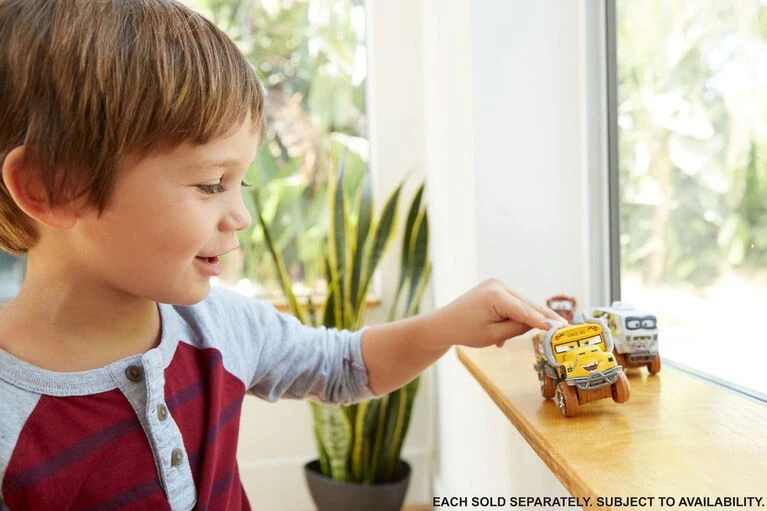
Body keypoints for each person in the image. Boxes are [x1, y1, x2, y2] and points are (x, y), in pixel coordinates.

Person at [0, 0, 565, 509]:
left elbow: (342, 366)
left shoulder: (220, 326)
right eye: (211, 183)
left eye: (240, 184)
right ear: (54, 187)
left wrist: (450, 324)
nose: (240, 216)